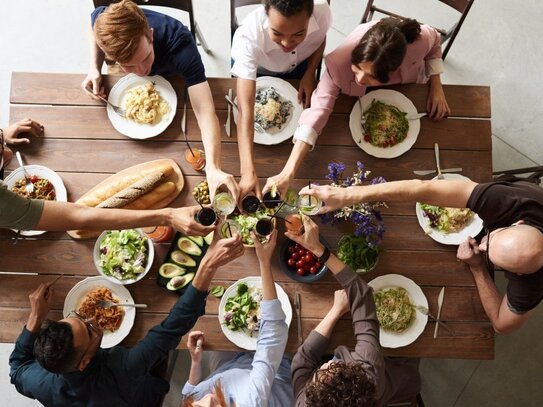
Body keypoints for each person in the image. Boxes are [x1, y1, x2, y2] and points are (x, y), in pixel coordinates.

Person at [9, 232, 245, 407]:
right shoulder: (122, 369)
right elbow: (172, 328)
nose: (92, 319)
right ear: (83, 362)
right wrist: (208, 265)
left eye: (78, 318)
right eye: (90, 331)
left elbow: (17, 368)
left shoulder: (39, 381)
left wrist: (36, 316)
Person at [299, 177, 543, 334]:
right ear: (517, 222)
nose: (482, 244)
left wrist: (478, 267)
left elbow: (501, 324)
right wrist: (348, 195)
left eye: (490, 254)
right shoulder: (512, 202)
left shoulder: (532, 285)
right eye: (492, 238)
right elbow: (422, 188)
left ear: (520, 274)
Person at [264, 17, 450, 198]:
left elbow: (435, 42)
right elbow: (317, 111)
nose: (359, 79)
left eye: (370, 76)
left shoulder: (419, 41)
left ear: (393, 71)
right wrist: (288, 172)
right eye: (357, 67)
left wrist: (436, 85)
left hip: (407, 91)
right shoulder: (338, 63)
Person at [82, 0, 238, 201]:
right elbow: (93, 18)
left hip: (174, 78)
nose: (142, 72)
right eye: (129, 66)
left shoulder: (181, 45)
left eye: (145, 58)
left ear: (151, 35)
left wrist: (213, 167)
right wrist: (94, 67)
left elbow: (204, 109)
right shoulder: (105, 22)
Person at [288, 216, 420, 406]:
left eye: (319, 374)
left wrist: (335, 311)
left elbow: (302, 361)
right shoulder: (369, 372)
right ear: (355, 375)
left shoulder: (306, 402)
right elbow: (363, 296)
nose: (327, 364)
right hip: (399, 379)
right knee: (408, 363)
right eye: (334, 369)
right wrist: (319, 250)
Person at [231, 0, 331, 199]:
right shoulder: (248, 37)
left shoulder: (322, 12)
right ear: (266, 13)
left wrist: (310, 73)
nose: (286, 43)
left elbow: (321, 39)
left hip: (301, 65)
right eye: (277, 33)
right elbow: (245, 111)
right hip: (259, 70)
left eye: (298, 34)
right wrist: (247, 172)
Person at [181, 229, 293, 406]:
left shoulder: (196, 400)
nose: (207, 400)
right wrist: (264, 261)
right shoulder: (251, 401)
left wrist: (196, 362)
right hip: (278, 374)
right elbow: (272, 337)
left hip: (233, 368)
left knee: (217, 335)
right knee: (289, 331)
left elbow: (188, 394)